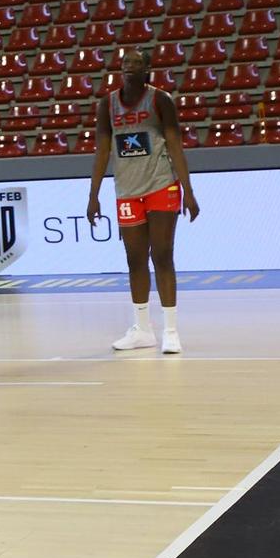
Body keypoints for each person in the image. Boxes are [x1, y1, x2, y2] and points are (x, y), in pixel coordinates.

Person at [87, 50, 200, 354]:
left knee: (162, 255)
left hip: (161, 183)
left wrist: (188, 190)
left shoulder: (160, 100)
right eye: (126, 65)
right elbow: (102, 151)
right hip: (126, 189)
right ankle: (142, 330)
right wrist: (93, 195)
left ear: (148, 70)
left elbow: (175, 144)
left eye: (137, 65)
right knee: (134, 260)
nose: (130, 69)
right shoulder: (106, 105)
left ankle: (171, 330)